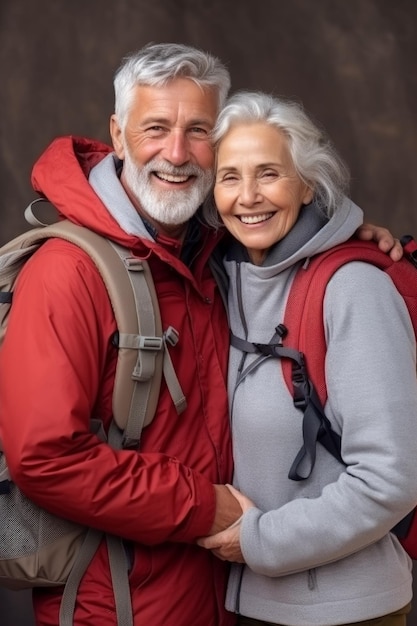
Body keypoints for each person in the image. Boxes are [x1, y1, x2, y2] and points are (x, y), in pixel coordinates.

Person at [0, 44, 404, 626]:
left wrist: (345, 240)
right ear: (117, 136)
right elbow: (44, 458)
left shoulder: (218, 256)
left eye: (198, 132)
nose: (177, 153)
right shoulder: (70, 272)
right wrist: (203, 507)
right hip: (120, 605)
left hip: (233, 595)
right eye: (155, 128)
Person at [198, 90, 417, 626]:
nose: (248, 196)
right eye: (229, 177)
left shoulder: (354, 289)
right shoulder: (217, 287)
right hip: (246, 602)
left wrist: (260, 541)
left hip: (346, 609)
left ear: (308, 184)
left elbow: (393, 478)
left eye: (269, 173)